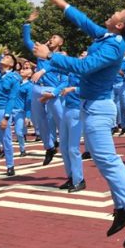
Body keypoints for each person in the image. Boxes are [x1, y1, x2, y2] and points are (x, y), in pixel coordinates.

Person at [32, 0, 125, 248]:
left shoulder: (113, 46)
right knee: (100, 158)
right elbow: (85, 23)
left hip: (98, 108)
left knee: (106, 159)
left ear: (120, 24)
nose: (114, 11)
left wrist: (50, 56)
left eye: (119, 12)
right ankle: (123, 209)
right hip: (91, 106)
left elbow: (84, 67)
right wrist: (64, 5)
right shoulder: (108, 36)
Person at [24, 10, 66, 166]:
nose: (51, 39)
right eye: (51, 37)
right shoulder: (41, 52)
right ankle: (49, 147)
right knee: (38, 120)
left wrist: (55, 92)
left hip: (52, 90)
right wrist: (28, 23)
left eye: (54, 37)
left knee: (60, 118)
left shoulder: (62, 57)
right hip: (36, 89)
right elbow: (28, 41)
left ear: (60, 43)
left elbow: (66, 79)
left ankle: (66, 143)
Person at [56, 57, 86, 193]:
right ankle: (71, 177)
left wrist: (73, 89)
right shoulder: (70, 72)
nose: (80, 57)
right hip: (67, 109)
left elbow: (87, 90)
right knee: (63, 146)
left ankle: (79, 180)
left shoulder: (86, 73)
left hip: (76, 109)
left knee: (73, 148)